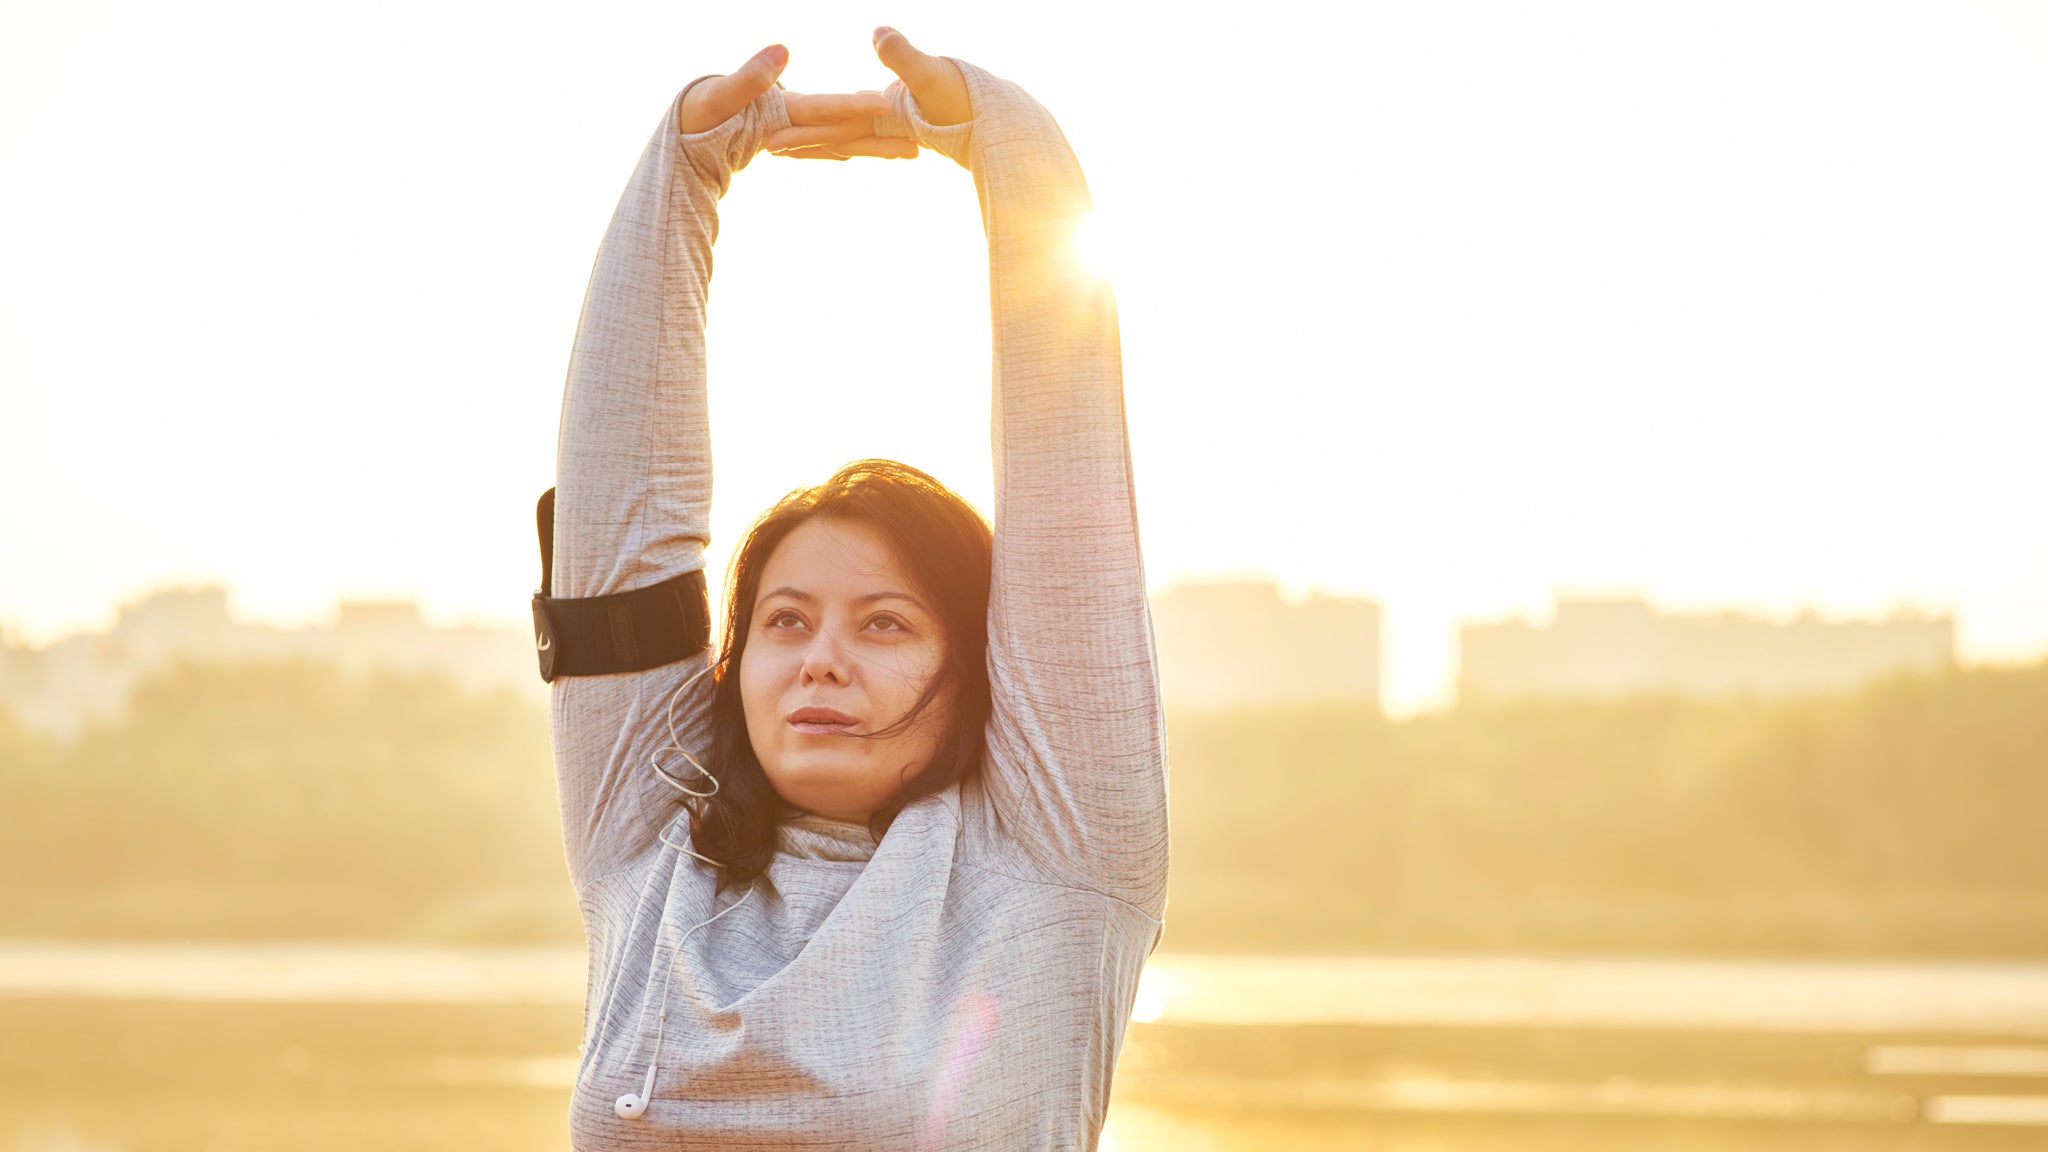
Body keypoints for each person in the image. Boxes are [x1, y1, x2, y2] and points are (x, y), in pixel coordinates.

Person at [547, 27, 1166, 1149]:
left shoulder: (1053, 868)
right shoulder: (647, 845)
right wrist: (678, 175)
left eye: (885, 623)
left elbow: (1069, 496)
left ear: (981, 665)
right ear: (733, 666)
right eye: (785, 621)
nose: (821, 657)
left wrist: (1004, 147)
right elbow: (615, 539)